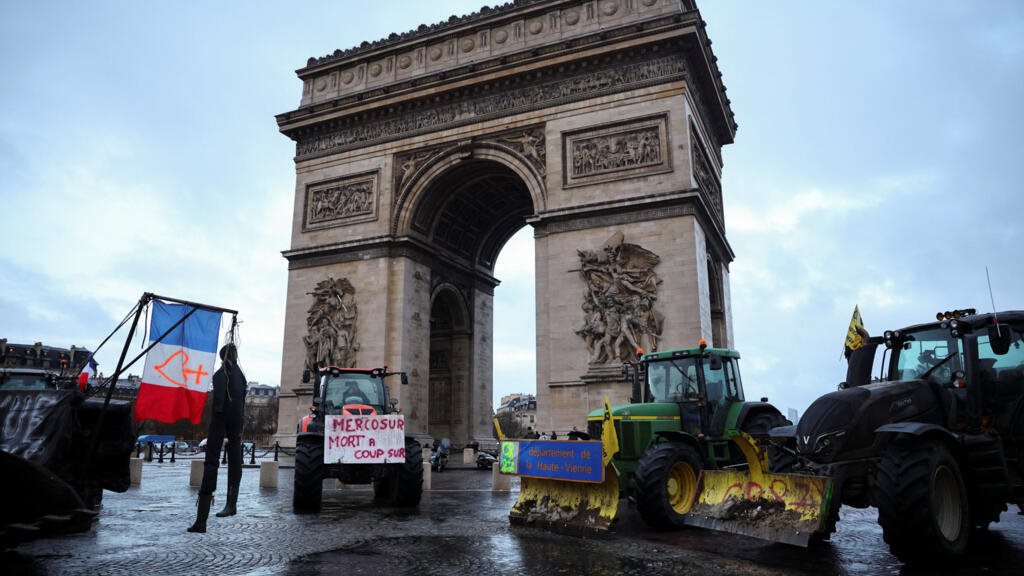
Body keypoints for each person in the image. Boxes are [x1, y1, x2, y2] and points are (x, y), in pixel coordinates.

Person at [189, 343, 247, 533]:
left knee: (211, 462)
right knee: (235, 458)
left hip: (221, 420)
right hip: (237, 420)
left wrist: (219, 412)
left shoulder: (222, 374)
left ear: (223, 357)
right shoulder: (241, 375)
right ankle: (232, 503)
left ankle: (201, 519)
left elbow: (219, 400)